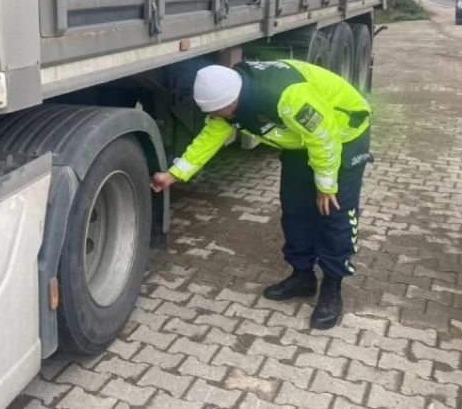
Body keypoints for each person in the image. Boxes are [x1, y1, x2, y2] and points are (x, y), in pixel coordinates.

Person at [151, 59, 373, 330]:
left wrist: (325, 185)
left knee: (333, 212)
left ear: (232, 101)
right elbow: (209, 139)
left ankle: (332, 287)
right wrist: (173, 175)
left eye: (219, 111)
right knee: (294, 209)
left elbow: (324, 136)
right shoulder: (230, 104)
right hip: (301, 139)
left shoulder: (287, 97)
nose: (218, 117)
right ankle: (302, 277)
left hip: (344, 131)